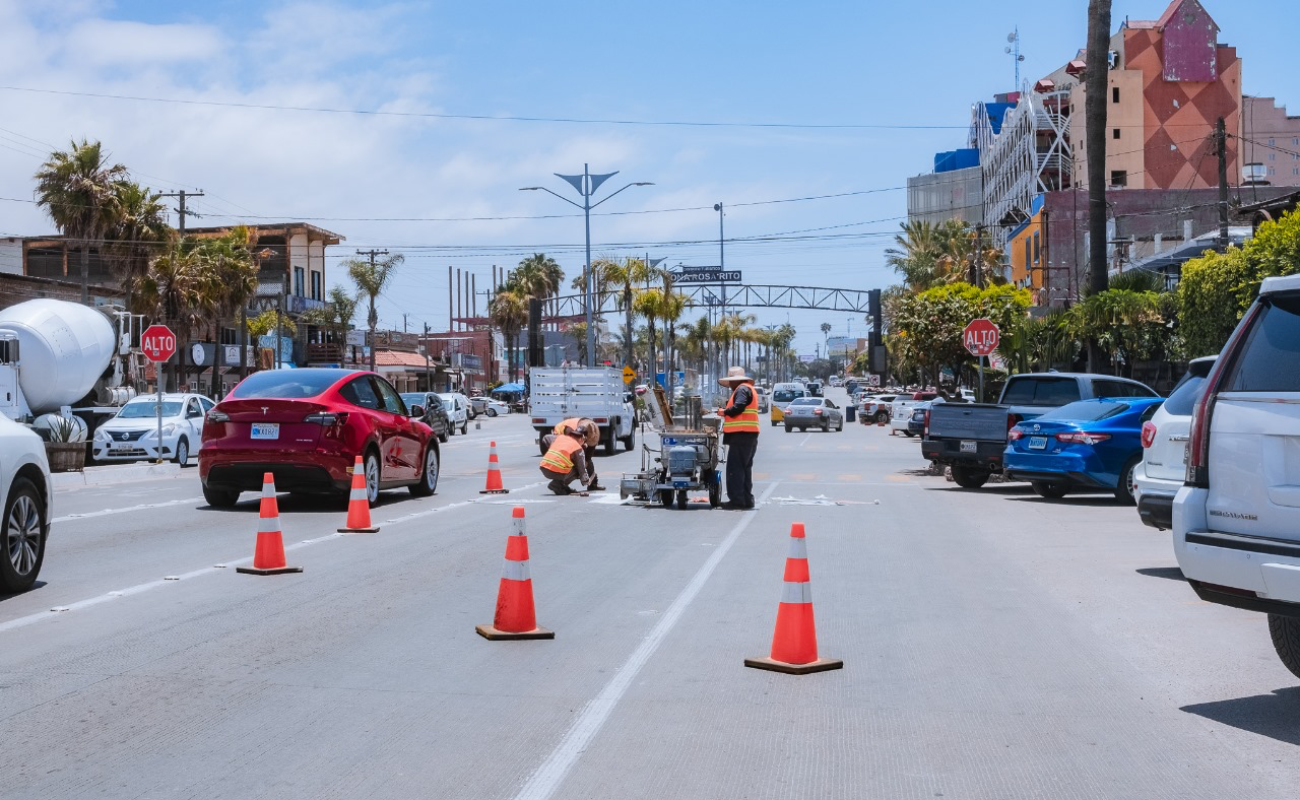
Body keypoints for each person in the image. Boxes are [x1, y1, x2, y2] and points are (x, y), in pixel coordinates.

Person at [716, 366, 760, 510]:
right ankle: (747, 500)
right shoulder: (747, 389)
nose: (729, 386)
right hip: (748, 435)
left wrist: (724, 412)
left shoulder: (741, 389)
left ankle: (737, 501)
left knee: (735, 469)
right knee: (744, 469)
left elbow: (739, 407)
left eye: (730, 382)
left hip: (742, 435)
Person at [552, 417, 605, 490]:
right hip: (560, 440)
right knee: (575, 466)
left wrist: (585, 464)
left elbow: (587, 457)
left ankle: (593, 484)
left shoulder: (593, 432)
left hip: (575, 438)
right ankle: (559, 483)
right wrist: (582, 473)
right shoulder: (570, 431)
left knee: (585, 462)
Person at [539, 425, 593, 496]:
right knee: (577, 469)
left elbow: (546, 438)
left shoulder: (561, 437)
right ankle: (558, 484)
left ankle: (559, 484)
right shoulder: (578, 448)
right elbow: (581, 468)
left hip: (544, 467)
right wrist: (586, 481)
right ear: (582, 438)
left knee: (569, 463)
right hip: (556, 470)